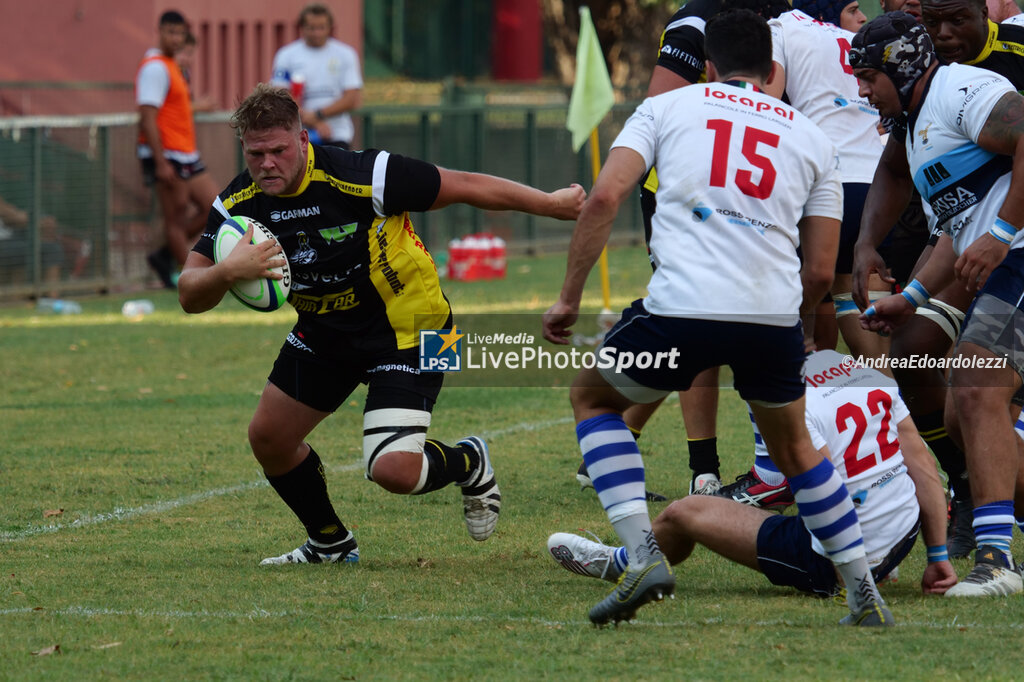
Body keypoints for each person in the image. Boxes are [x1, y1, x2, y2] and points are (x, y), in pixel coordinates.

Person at [543, 9, 893, 627]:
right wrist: (804, 329)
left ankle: (644, 555)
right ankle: (863, 591)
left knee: (593, 400)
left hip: (683, 307)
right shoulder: (814, 139)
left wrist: (569, 298)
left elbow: (604, 196)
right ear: (774, 69)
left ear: (707, 67)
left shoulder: (670, 108)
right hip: (770, 316)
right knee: (797, 451)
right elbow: (819, 269)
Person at [178, 83, 585, 565]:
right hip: (326, 333)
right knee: (268, 437)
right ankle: (329, 542)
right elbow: (189, 291)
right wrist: (228, 272)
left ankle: (469, 460)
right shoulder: (238, 204)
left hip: (419, 327)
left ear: (303, 140)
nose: (267, 164)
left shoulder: (364, 175)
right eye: (256, 153)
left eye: (279, 151)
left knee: (391, 470)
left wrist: (552, 204)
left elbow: (466, 186)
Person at [548, 350, 958, 608]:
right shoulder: (856, 369)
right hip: (904, 532)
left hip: (842, 554)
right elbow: (921, 466)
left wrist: (855, 568)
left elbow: (813, 487)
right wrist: (937, 557)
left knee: (681, 513)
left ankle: (621, 561)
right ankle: (877, 564)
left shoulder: (785, 400)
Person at [853, 11, 1024, 596]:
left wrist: (1001, 235)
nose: (861, 90)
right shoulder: (917, 126)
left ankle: (998, 560)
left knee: (976, 389)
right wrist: (913, 297)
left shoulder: (961, 89)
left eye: (868, 76)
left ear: (899, 68)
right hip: (1009, 260)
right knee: (963, 416)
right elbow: (959, 224)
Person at [136, 10, 220, 283]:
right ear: (159, 31)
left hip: (186, 152)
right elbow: (147, 118)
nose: (175, 38)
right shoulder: (155, 67)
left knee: (216, 207)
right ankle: (193, 280)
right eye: (170, 32)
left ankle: (166, 253)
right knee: (176, 216)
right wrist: (160, 162)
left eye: (180, 33)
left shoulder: (174, 66)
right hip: (168, 154)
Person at [271, 3, 363, 149]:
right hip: (300, 135)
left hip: (337, 134)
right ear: (302, 27)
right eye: (311, 28)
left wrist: (319, 115)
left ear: (330, 27)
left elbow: (351, 98)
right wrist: (312, 121)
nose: (317, 33)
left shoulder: (346, 54)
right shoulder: (286, 55)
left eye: (321, 27)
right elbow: (281, 96)